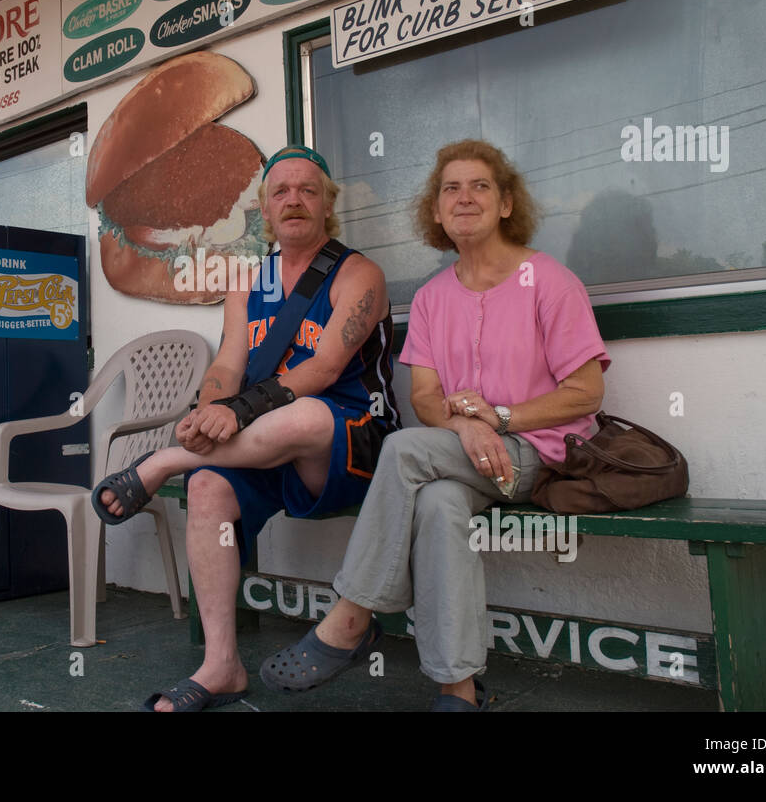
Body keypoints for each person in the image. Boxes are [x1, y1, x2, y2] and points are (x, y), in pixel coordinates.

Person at [259, 138, 610, 711]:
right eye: (451, 188)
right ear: (436, 208)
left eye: (479, 186)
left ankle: (350, 617)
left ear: (504, 204)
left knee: (400, 451)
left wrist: (497, 419)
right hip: (462, 458)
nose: (463, 197)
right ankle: (459, 690)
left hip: (540, 457)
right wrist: (465, 428)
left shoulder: (548, 280)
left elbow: (587, 392)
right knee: (438, 504)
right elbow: (425, 397)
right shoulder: (430, 297)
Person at [92, 144, 400, 711]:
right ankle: (221, 665)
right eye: (281, 191)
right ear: (263, 206)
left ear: (327, 205)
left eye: (308, 190)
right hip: (262, 448)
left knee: (304, 414)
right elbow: (228, 365)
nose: (294, 200)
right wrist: (206, 410)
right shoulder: (246, 284)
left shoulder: (360, 274)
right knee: (208, 489)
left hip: (349, 447)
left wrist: (231, 415)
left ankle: (159, 464)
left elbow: (324, 369)